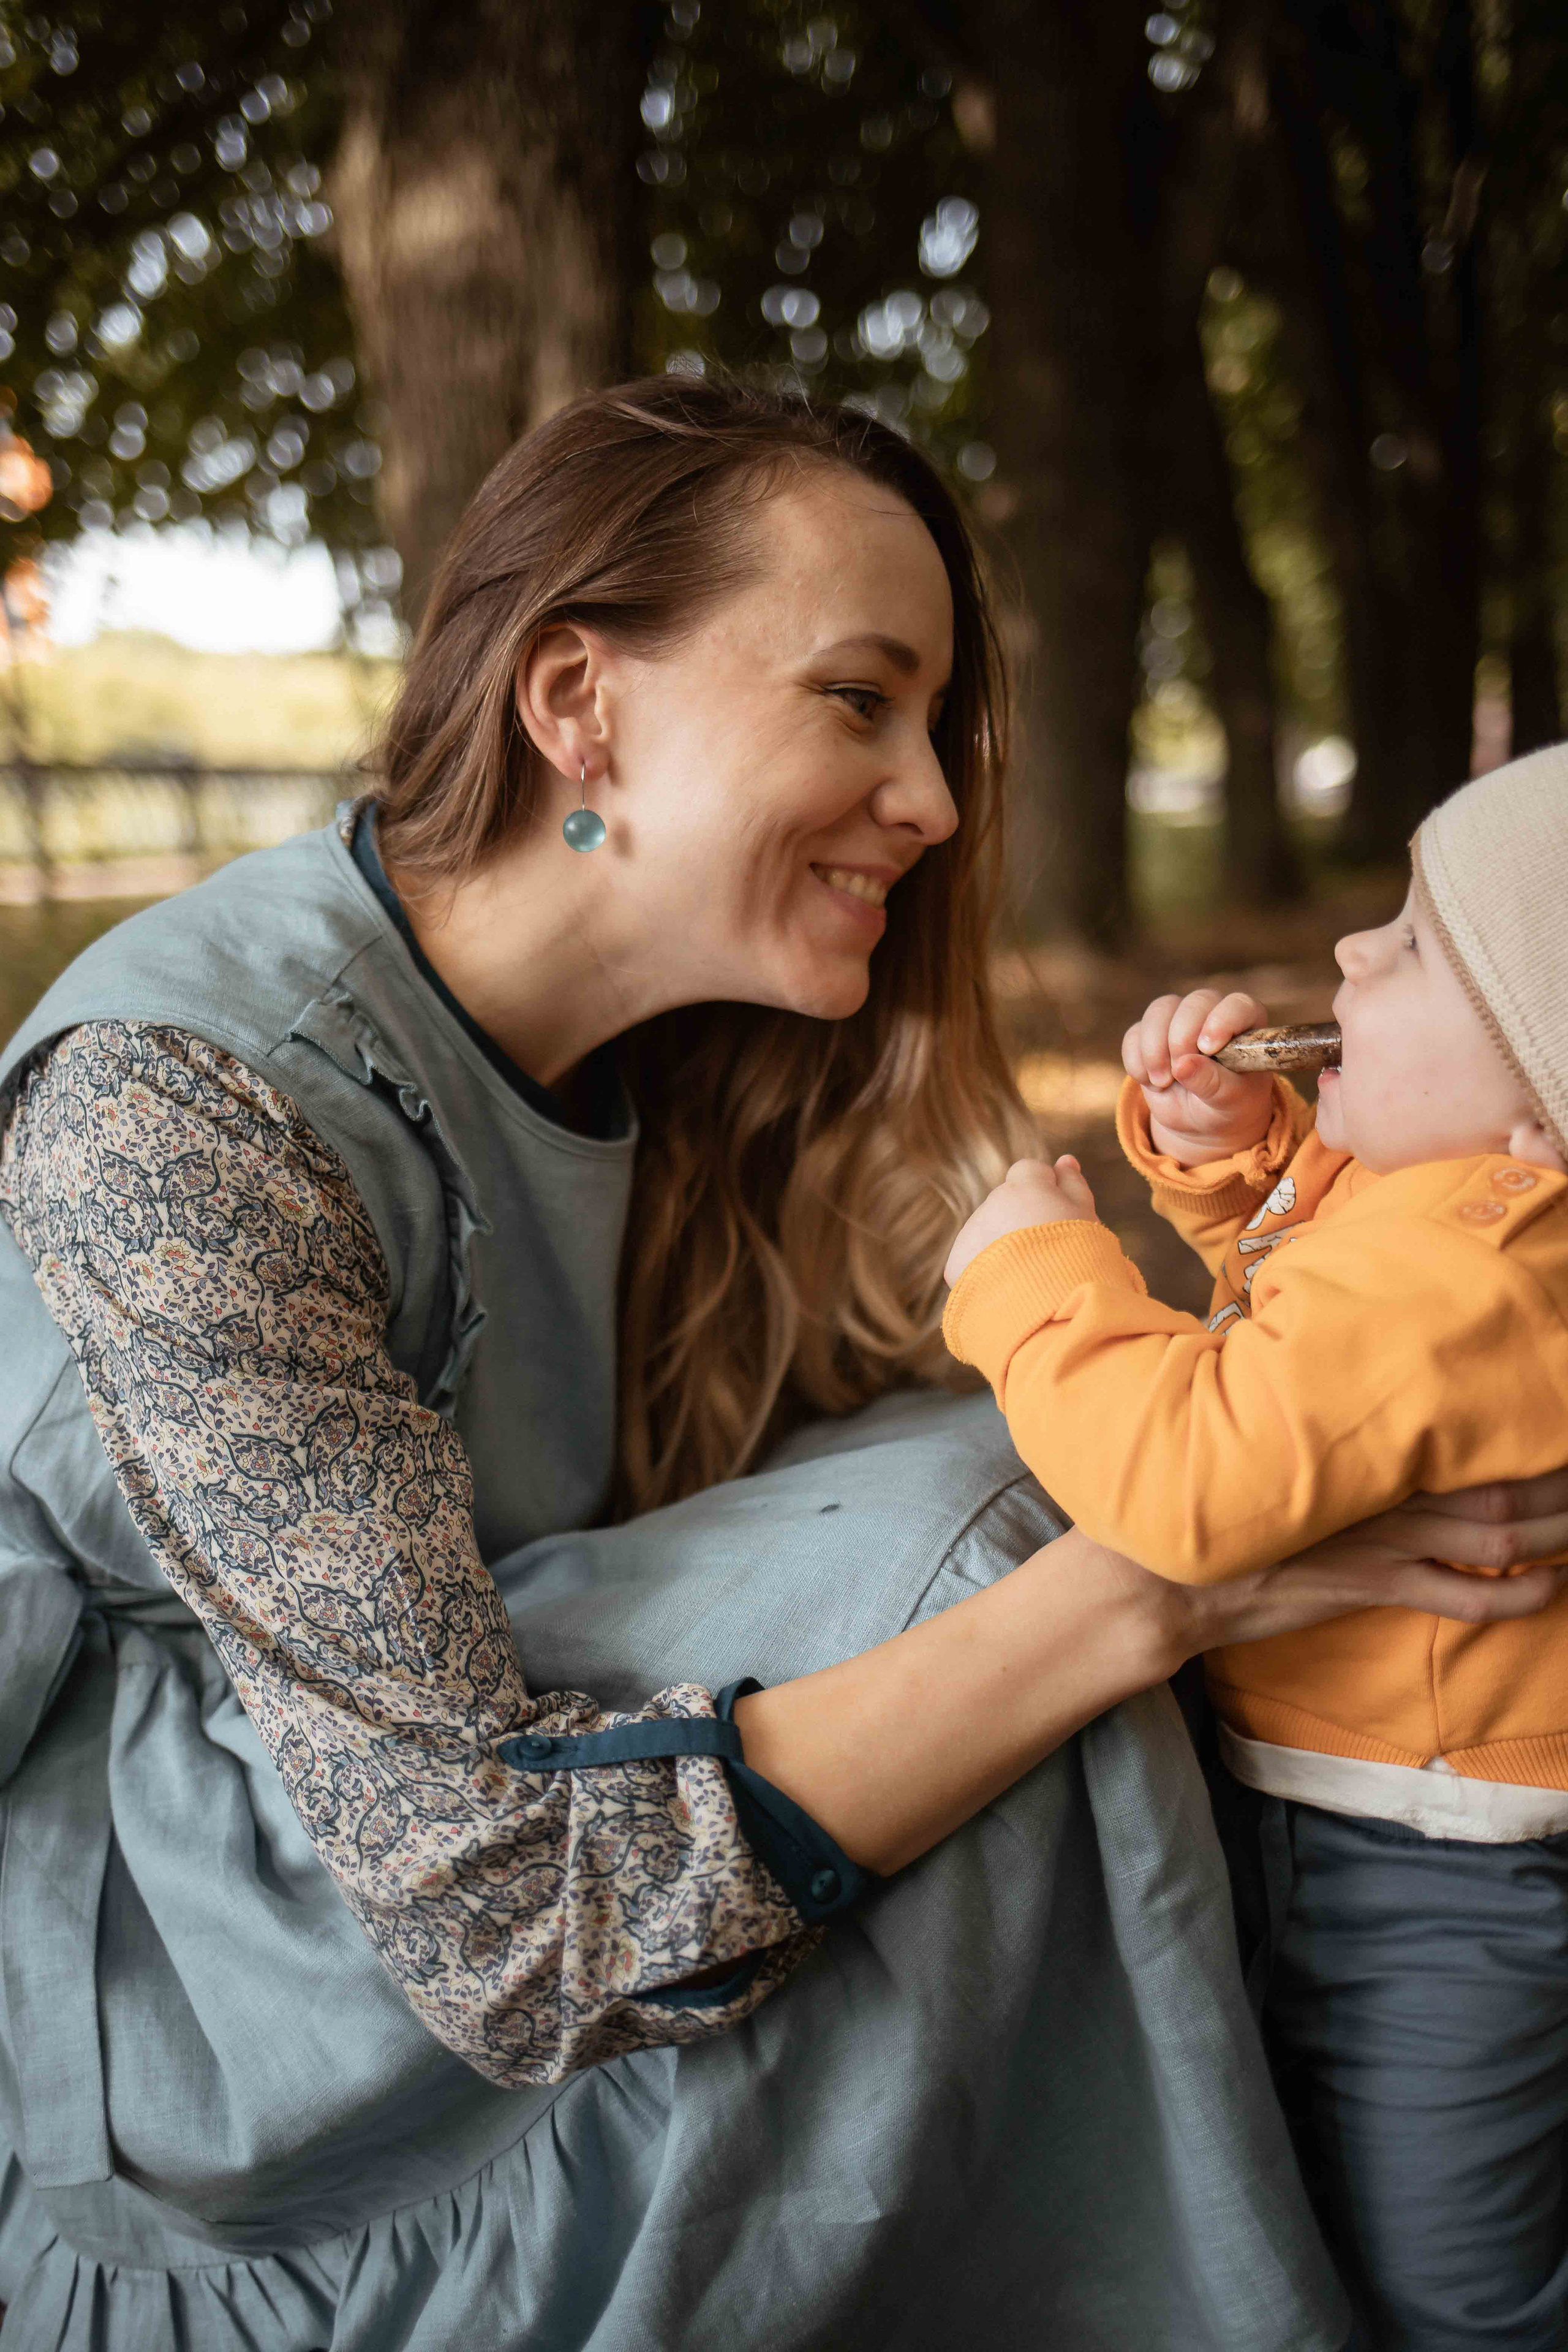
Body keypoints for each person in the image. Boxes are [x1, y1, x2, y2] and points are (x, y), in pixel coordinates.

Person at [1, 379, 1564, 2351]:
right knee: (1001, 1539)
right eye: (859, 701)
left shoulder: (733, 1047)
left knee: (1021, 1475)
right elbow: (499, 1919)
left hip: (508, 1847)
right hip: (208, 1996)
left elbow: (1244, 1362)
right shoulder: (178, 1111)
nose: (931, 796)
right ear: (580, 705)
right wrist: (1160, 1585)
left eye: (938, 727)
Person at [943, 746, 1568, 2350]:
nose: (1357, 953)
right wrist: (1244, 1160)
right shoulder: (1457, 1224)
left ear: (1540, 1105)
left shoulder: (1471, 1273)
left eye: (1421, 945)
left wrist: (1033, 1278)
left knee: (1445, 2276)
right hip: (1382, 1817)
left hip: (1436, 1875)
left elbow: (1194, 1477)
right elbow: (1330, 1335)